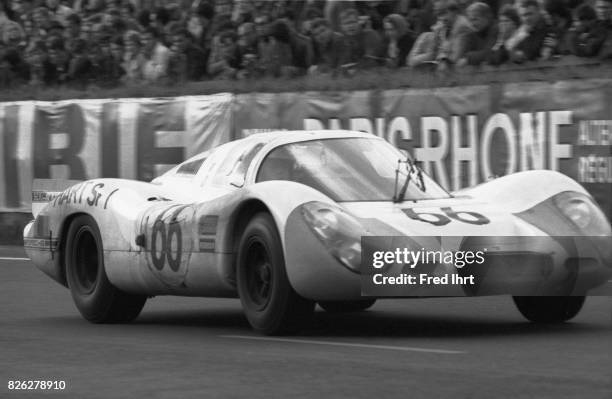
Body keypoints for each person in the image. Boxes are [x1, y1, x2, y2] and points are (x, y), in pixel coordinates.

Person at [457, 2, 497, 66]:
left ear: (486, 18)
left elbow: (490, 53)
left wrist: (468, 58)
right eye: (470, 20)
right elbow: (460, 58)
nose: (472, 24)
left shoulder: (496, 29)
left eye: (475, 19)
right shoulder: (471, 33)